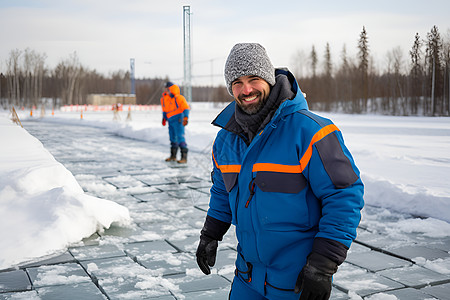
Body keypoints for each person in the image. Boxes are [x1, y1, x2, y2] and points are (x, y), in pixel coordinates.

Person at [195, 43, 364, 300]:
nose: (246, 89)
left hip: (296, 281)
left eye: (254, 79)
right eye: (237, 82)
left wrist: (324, 263)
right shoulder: (226, 139)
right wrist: (210, 233)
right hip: (247, 277)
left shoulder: (310, 132)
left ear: (269, 79)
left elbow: (343, 195)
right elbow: (222, 190)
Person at [160, 81, 190, 163]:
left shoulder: (179, 98)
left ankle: (184, 157)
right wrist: (164, 118)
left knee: (180, 137)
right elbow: (165, 110)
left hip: (178, 120)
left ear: (171, 88)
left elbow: (185, 108)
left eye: (167, 88)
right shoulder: (164, 99)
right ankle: (173, 156)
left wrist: (186, 117)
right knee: (172, 138)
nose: (166, 90)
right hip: (170, 120)